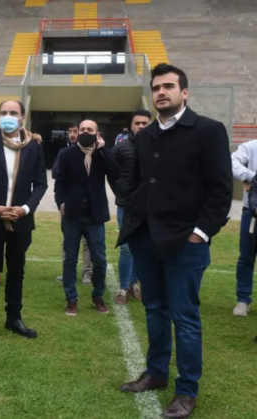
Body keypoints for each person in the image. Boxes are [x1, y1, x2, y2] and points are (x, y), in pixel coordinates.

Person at [118, 64, 233, 419]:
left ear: (184, 92)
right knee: (154, 310)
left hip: (186, 242)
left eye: (168, 86)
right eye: (156, 88)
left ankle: (186, 391)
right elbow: (138, 183)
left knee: (185, 317)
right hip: (146, 240)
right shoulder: (145, 135)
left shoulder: (208, 130)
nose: (161, 92)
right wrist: (134, 218)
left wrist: (201, 233)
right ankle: (155, 373)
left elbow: (221, 190)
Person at [0, 100, 47, 342]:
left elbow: (41, 184)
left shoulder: (33, 145)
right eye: (3, 112)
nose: (8, 116)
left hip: (20, 221)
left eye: (13, 112)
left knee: (16, 271)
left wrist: (25, 209)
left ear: (22, 117)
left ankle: (14, 317)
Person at [55, 120, 120, 316]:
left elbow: (116, 173)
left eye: (89, 130)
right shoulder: (66, 154)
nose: (84, 132)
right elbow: (59, 180)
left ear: (97, 133)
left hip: (95, 216)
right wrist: (61, 204)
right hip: (72, 215)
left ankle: (98, 295)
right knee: (70, 259)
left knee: (99, 260)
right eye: (82, 129)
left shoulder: (102, 154)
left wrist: (103, 150)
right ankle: (71, 299)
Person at [111, 109, 151, 305]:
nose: (141, 126)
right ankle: (123, 287)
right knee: (127, 247)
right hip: (126, 205)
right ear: (131, 126)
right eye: (138, 123)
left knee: (142, 246)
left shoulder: (157, 146)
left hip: (149, 206)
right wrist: (119, 190)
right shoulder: (120, 148)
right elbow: (111, 172)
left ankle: (135, 283)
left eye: (145, 123)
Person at [53, 122, 92, 285]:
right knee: (68, 240)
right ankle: (67, 271)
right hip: (68, 204)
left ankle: (88, 273)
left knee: (87, 241)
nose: (73, 134)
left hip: (88, 204)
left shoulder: (94, 151)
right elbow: (55, 172)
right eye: (71, 132)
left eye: (76, 131)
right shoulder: (64, 152)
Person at [231, 137, 257, 316]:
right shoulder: (250, 147)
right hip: (252, 212)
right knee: (246, 256)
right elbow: (232, 162)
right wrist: (252, 177)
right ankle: (243, 299)